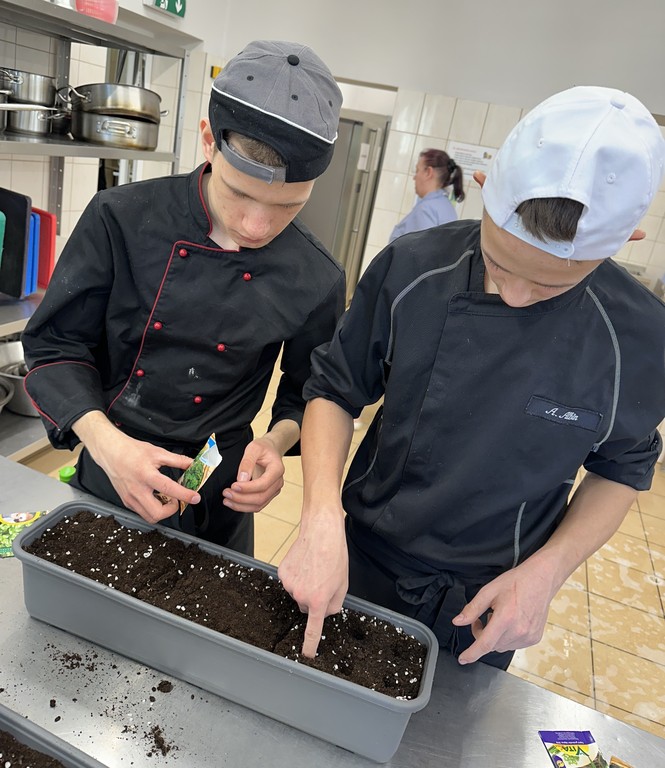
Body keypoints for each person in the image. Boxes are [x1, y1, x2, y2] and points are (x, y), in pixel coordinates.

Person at [278, 85, 665, 669]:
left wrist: (549, 571)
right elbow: (334, 390)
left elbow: (623, 467)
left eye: (550, 286)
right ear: (484, 187)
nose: (515, 297)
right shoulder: (412, 269)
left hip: (492, 598)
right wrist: (319, 516)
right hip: (361, 557)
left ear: (625, 240)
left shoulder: (637, 335)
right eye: (501, 264)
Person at [21, 40, 346, 556]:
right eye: (240, 193)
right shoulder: (121, 218)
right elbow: (56, 347)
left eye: (288, 206)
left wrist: (275, 443)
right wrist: (108, 447)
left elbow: (308, 392)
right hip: (113, 457)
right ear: (208, 141)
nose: (256, 226)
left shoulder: (317, 275)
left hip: (223, 486)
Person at [389, 148, 464, 242]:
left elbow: (419, 249)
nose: (414, 177)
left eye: (417, 170)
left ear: (428, 172)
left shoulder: (426, 209)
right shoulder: (447, 206)